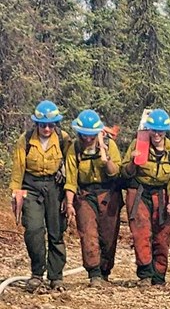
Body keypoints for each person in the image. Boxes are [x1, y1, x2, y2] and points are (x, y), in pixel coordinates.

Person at [9, 100, 71, 293]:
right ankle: (37, 274)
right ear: (36, 124)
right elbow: (18, 169)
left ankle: (56, 277)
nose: (46, 128)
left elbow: (71, 165)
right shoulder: (25, 140)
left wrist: (69, 194)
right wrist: (15, 192)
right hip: (31, 187)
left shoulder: (64, 139)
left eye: (50, 125)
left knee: (56, 232)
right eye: (42, 124)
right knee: (34, 230)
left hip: (55, 186)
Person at [122, 108, 170, 286]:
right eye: (154, 130)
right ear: (148, 129)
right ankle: (145, 274)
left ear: (166, 131)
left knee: (162, 237)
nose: (156, 134)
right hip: (139, 192)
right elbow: (124, 172)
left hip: (162, 195)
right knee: (141, 233)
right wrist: (133, 162)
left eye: (160, 131)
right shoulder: (137, 145)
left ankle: (159, 275)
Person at [63, 109, 122, 287]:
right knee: (88, 233)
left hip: (108, 193)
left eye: (90, 135)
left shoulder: (109, 145)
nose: (87, 139)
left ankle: (105, 271)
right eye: (84, 135)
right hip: (85, 195)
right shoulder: (74, 148)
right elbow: (71, 179)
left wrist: (106, 159)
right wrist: (70, 203)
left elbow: (116, 173)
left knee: (109, 234)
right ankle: (94, 272)